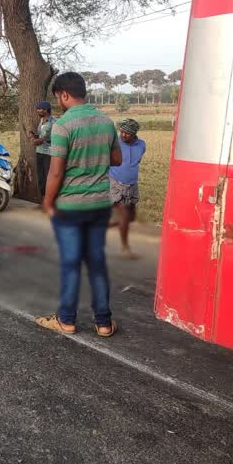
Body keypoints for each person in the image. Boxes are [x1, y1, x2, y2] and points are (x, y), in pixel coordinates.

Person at [35, 72, 122, 338]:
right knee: (97, 262)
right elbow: (117, 160)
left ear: (63, 94)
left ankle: (67, 320)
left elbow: (56, 172)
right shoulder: (106, 122)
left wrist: (47, 202)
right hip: (99, 204)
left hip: (71, 207)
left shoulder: (63, 125)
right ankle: (104, 322)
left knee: (71, 262)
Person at [109, 119, 146, 259]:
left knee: (131, 217)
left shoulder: (142, 145)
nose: (123, 135)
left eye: (127, 133)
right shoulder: (114, 144)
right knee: (124, 213)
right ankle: (125, 248)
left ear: (134, 134)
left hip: (132, 184)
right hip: (115, 183)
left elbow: (137, 161)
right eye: (122, 132)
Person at [26, 101, 56, 199]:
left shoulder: (54, 122)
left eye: (40, 110)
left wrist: (42, 140)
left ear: (46, 110)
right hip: (39, 152)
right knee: (41, 177)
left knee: (48, 176)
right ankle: (43, 199)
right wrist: (34, 135)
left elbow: (56, 138)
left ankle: (51, 199)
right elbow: (41, 135)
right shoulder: (41, 120)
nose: (38, 111)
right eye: (37, 109)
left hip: (49, 153)